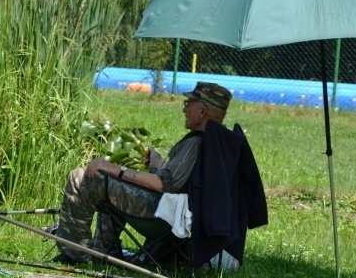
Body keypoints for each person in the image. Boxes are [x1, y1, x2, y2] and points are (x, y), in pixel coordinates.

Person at [54, 81, 233, 264]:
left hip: (161, 214)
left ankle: (77, 255)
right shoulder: (219, 141)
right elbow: (181, 181)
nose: (184, 109)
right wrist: (157, 164)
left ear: (202, 110)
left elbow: (163, 185)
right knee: (110, 181)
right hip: (179, 213)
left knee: (79, 177)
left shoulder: (197, 143)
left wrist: (115, 168)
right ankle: (107, 251)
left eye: (189, 104)